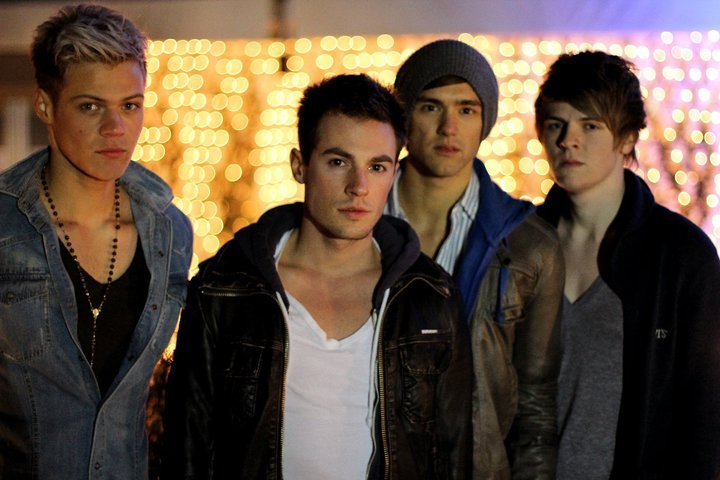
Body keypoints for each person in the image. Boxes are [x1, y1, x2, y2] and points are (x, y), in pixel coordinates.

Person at [161, 73, 472, 479]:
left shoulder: (430, 297)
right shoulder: (224, 289)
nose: (359, 187)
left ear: (394, 174)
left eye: (377, 166)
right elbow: (188, 448)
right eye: (338, 162)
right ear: (300, 165)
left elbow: (452, 454)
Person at [0, 4, 192, 479]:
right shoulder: (5, 228)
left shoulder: (171, 232)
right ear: (45, 105)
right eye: (90, 106)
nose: (115, 129)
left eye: (130, 105)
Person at [535, 50, 720, 479]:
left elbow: (705, 411)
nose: (568, 140)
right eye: (556, 124)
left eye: (590, 125)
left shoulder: (680, 256)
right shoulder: (520, 245)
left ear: (626, 138)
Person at [388, 39, 563, 479]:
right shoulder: (356, 224)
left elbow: (536, 401)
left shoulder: (530, 245)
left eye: (466, 109)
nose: (449, 127)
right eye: (431, 106)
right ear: (404, 116)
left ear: (485, 120)